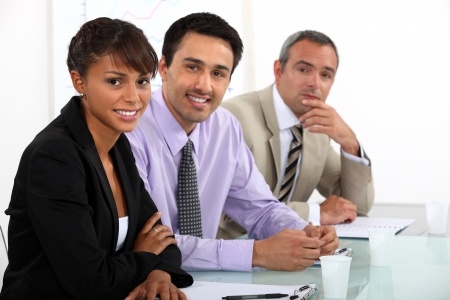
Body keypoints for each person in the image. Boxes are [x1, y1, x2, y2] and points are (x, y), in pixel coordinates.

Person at [126, 12, 338, 273]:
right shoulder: (131, 129)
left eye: (218, 73)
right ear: (163, 68)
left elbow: (259, 208)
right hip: (143, 280)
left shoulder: (224, 127)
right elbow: (148, 243)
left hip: (209, 283)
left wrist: (306, 233)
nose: (204, 85)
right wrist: (256, 253)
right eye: (192, 67)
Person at [0, 17, 192, 300]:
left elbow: (163, 239)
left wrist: (158, 275)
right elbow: (90, 282)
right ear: (79, 81)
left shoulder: (118, 144)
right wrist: (142, 254)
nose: (133, 97)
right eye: (114, 81)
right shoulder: (54, 157)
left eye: (141, 81)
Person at [219, 30, 374, 239]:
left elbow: (356, 206)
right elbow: (228, 212)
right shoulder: (234, 117)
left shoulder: (316, 129)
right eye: (303, 70)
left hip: (287, 256)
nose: (314, 83)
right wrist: (315, 213)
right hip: (229, 254)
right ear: (278, 70)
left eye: (325, 75)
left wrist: (350, 143)